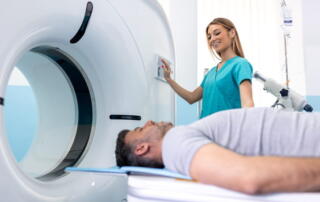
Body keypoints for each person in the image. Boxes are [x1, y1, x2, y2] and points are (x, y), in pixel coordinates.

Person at [115, 107, 320, 194]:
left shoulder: (178, 144)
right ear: (142, 149)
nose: (149, 122)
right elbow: (250, 177)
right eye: (141, 129)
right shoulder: (175, 143)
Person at [162, 17, 254, 118]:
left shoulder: (240, 64)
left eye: (217, 33)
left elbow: (248, 104)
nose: (212, 39)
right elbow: (191, 97)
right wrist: (168, 79)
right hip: (205, 129)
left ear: (232, 33)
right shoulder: (211, 73)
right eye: (209, 37)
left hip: (227, 130)